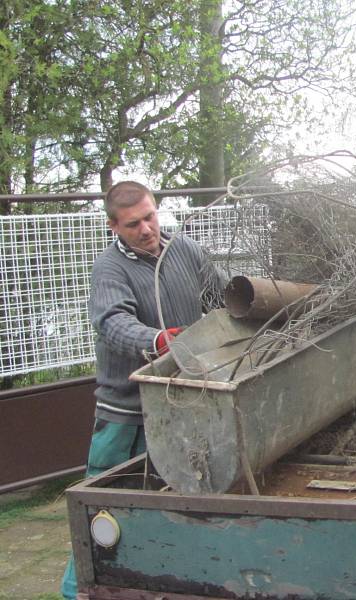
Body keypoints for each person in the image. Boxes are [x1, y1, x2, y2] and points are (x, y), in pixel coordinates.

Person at [61, 181, 226, 598]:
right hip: (127, 415)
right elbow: (112, 323)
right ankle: (75, 591)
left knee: (177, 505)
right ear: (113, 226)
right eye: (133, 224)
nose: (147, 229)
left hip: (183, 405)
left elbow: (223, 296)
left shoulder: (184, 251)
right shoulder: (110, 269)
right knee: (103, 514)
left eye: (150, 216)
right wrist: (159, 340)